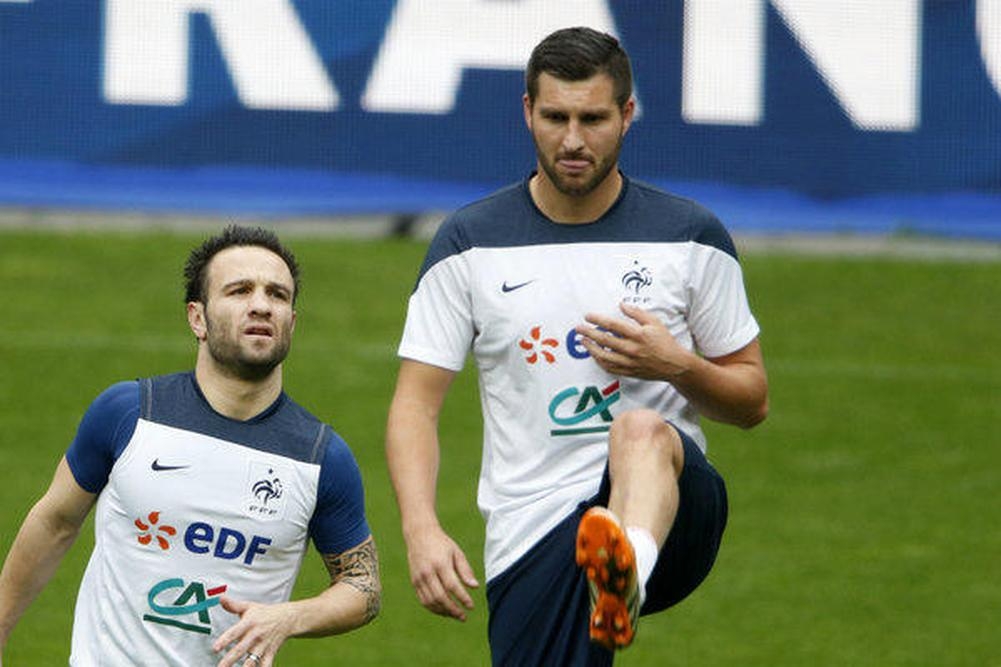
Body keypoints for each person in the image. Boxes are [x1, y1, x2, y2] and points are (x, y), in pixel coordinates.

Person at [385, 26, 768, 666]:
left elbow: (751, 400)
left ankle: (627, 568)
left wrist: (675, 364)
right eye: (555, 117)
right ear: (527, 111)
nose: (571, 140)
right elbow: (414, 405)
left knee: (640, 430)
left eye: (592, 119)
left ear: (626, 114)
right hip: (532, 527)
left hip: (677, 513)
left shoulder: (690, 238)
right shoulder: (469, 245)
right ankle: (612, 580)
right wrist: (421, 529)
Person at [0, 225, 381, 667]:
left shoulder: (320, 459)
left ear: (291, 323)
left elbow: (363, 586)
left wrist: (290, 618)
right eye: (240, 290)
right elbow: (55, 522)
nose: (261, 305)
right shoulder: (128, 414)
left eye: (277, 295)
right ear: (197, 318)